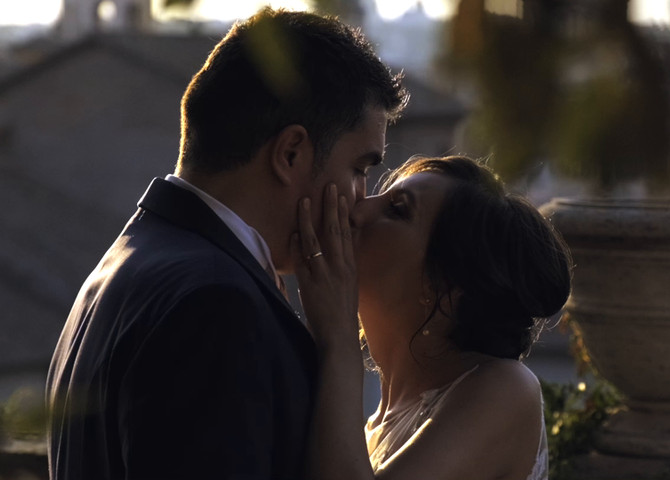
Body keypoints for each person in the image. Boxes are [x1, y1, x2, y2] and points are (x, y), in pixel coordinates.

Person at [46, 8, 407, 480]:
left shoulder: (121, 269)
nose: (360, 202)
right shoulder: (217, 305)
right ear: (291, 153)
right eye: (360, 169)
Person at [292, 155, 573, 480]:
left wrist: (338, 342)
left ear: (444, 283)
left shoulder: (506, 388)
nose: (358, 209)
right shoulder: (376, 423)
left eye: (397, 210)